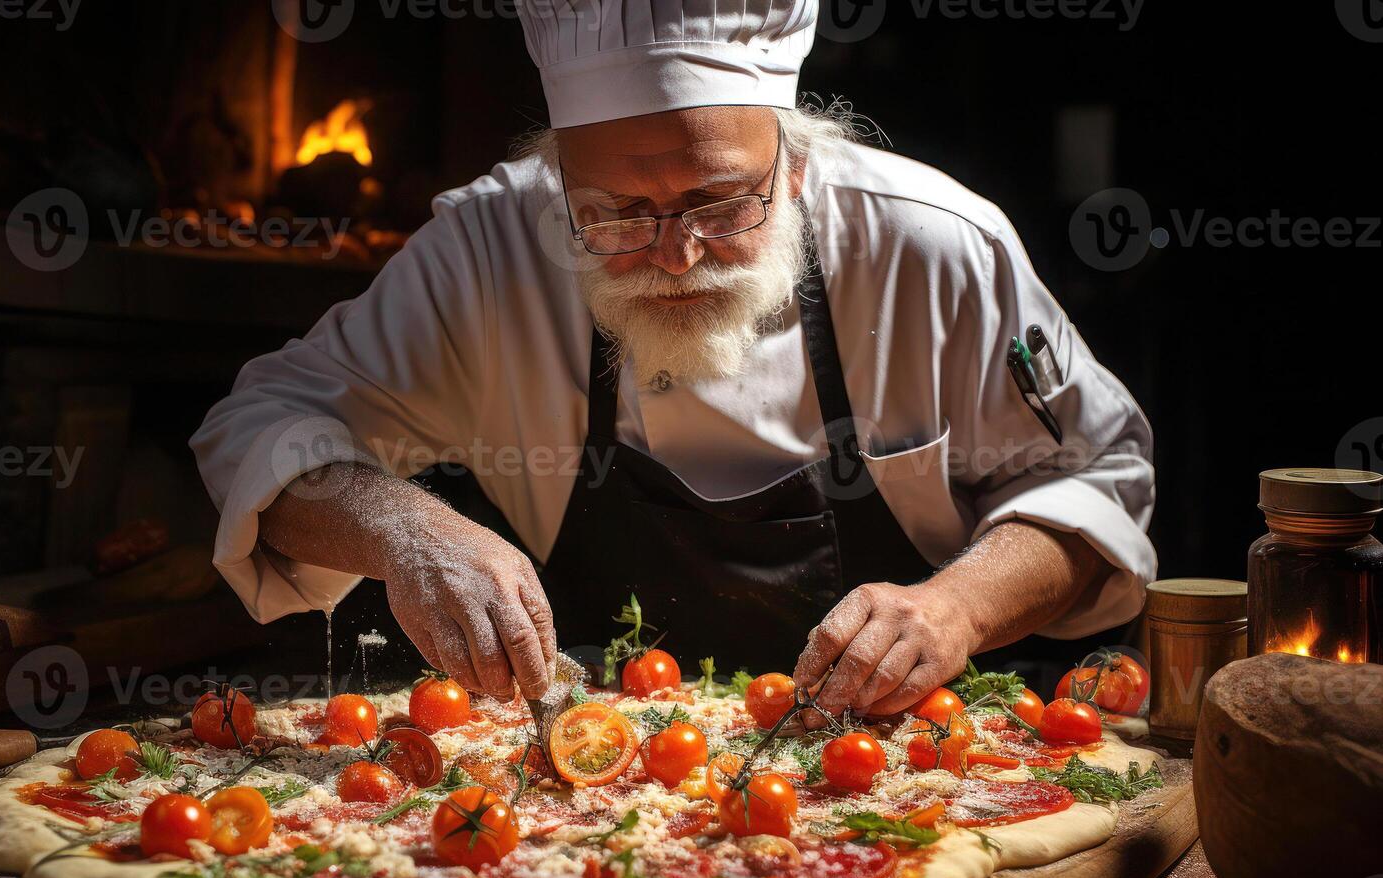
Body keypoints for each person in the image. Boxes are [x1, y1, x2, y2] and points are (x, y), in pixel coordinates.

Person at [190, 0, 1154, 720]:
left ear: (796, 156)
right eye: (612, 214)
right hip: (582, 793)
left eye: (722, 203)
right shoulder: (490, 248)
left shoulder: (934, 245)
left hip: (902, 767)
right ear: (556, 177)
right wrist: (403, 531)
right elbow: (256, 427)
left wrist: (957, 609)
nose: (675, 256)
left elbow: (1101, 481)